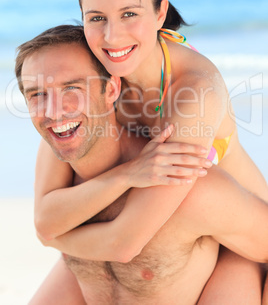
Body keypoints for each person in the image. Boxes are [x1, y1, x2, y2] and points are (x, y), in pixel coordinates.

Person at [16, 25, 267, 304]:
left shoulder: (188, 183)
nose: (53, 112)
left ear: (110, 89)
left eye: (72, 88)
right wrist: (125, 176)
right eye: (37, 95)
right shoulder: (63, 157)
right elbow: (45, 225)